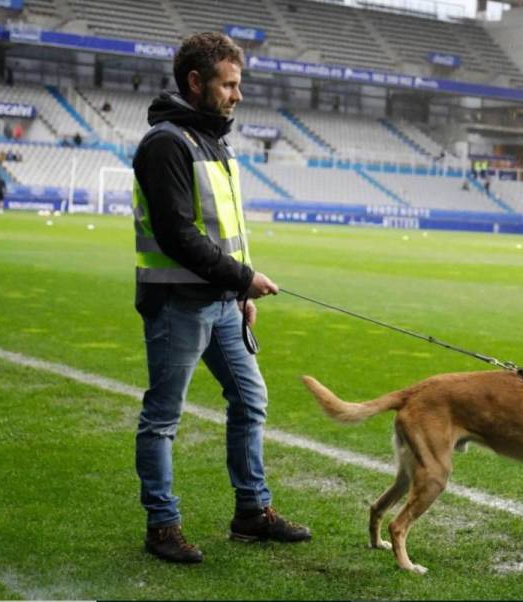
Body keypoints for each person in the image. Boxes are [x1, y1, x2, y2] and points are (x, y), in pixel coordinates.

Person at [132, 31, 311, 565]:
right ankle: (162, 525)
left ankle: (251, 513)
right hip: (177, 304)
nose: (237, 95)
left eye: (238, 84)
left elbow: (225, 230)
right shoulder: (167, 143)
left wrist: (238, 292)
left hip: (222, 305)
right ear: (196, 82)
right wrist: (243, 278)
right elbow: (177, 236)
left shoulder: (215, 141)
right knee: (163, 418)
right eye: (229, 84)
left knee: (250, 401)